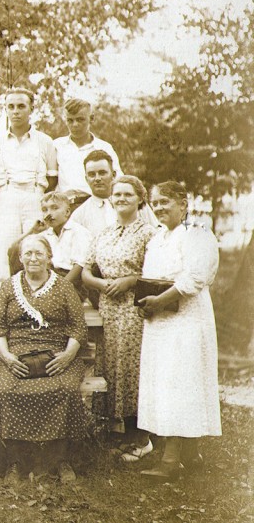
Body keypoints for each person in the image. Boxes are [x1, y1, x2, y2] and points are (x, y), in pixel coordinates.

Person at [136, 182, 221, 480]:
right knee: (164, 382)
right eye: (155, 203)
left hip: (187, 319)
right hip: (160, 322)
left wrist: (160, 300)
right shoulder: (158, 237)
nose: (159, 208)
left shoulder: (197, 232)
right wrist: (147, 302)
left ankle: (171, 460)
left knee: (183, 382)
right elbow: (151, 278)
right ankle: (190, 453)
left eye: (165, 202)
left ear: (183, 203)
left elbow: (195, 278)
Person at [0, 235, 90, 483]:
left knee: (64, 388)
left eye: (38, 253)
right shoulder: (8, 287)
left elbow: (78, 327)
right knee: (7, 389)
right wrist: (6, 356)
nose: (33, 258)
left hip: (57, 353)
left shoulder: (64, 287)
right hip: (16, 353)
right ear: (20, 258)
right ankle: (15, 459)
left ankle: (60, 458)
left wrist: (67, 355)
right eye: (27, 254)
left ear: (49, 257)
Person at [81, 176, 156, 457]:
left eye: (127, 194)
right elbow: (87, 269)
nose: (121, 198)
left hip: (135, 306)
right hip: (108, 307)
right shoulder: (104, 233)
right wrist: (100, 285)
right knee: (109, 362)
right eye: (117, 194)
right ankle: (115, 431)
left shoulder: (149, 233)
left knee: (131, 366)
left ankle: (140, 436)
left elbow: (156, 273)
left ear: (140, 199)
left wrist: (130, 281)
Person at [0, 88, 58, 282]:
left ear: (31, 109)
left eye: (21, 106)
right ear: (6, 110)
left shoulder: (45, 142)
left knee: (34, 248)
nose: (16, 111)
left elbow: (52, 179)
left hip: (35, 196)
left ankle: (37, 297)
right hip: (7, 198)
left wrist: (38, 195)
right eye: (11, 107)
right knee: (5, 250)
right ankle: (5, 297)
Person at [69, 150, 156, 236]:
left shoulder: (136, 204)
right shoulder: (79, 216)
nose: (97, 178)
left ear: (113, 175)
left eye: (102, 173)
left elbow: (156, 234)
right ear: (86, 179)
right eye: (92, 174)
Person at [53, 98, 121, 206]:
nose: (75, 124)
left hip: (97, 204)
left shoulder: (104, 147)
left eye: (80, 119)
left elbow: (118, 180)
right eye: (70, 120)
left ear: (91, 118)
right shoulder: (56, 146)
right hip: (66, 206)